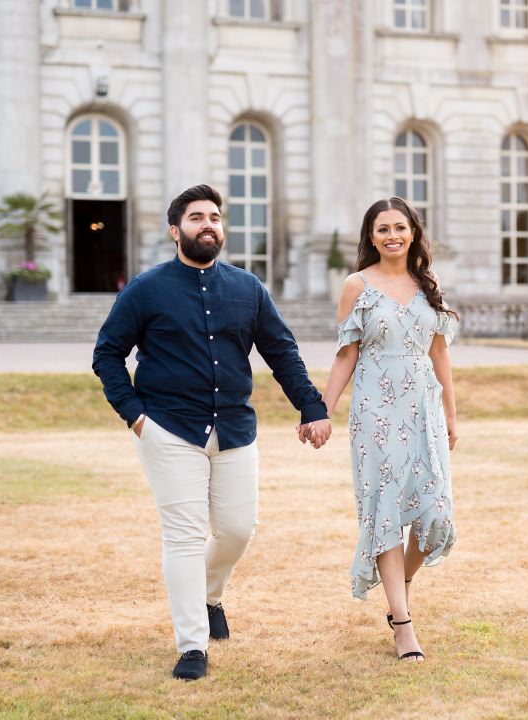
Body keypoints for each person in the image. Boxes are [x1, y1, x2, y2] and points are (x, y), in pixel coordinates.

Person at [92, 184, 332, 681]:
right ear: (175, 230)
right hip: (169, 429)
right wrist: (135, 416)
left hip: (235, 428)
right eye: (197, 217)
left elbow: (281, 352)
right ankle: (192, 645)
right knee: (182, 535)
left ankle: (210, 595)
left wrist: (312, 406)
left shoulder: (248, 289)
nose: (209, 225)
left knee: (238, 529)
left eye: (216, 217)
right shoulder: (146, 289)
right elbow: (107, 355)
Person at [319, 196, 458, 662]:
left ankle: (401, 585)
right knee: (384, 514)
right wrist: (324, 410)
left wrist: (452, 417)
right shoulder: (356, 285)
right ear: (371, 237)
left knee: (435, 515)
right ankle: (402, 624)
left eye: (400, 227)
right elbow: (346, 354)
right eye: (383, 229)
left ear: (414, 232)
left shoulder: (429, 285)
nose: (392, 235)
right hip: (376, 415)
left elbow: (440, 355)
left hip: (424, 412)